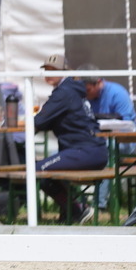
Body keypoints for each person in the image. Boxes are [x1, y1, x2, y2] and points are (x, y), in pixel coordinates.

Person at [34, 53, 108, 224]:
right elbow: (47, 122)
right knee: (47, 171)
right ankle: (70, 212)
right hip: (92, 150)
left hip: (85, 151)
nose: (48, 74)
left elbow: (38, 121)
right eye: (46, 70)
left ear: (64, 71)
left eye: (54, 70)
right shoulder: (72, 89)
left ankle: (78, 210)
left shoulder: (64, 92)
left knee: (37, 170)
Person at [78, 63, 136, 210]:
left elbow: (128, 125)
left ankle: (99, 205)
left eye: (87, 90)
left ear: (98, 82)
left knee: (104, 150)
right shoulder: (83, 98)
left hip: (123, 142)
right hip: (96, 142)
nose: (85, 93)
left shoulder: (118, 93)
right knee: (61, 152)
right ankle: (74, 205)